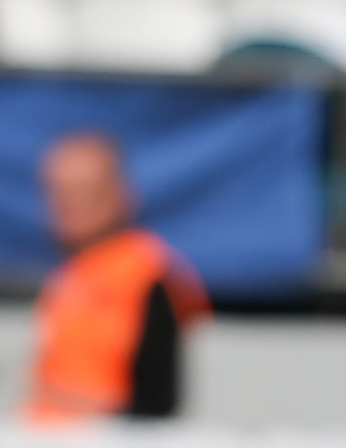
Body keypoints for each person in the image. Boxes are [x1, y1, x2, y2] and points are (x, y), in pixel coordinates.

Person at [26, 132, 209, 424]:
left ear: (121, 193)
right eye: (59, 192)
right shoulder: (67, 274)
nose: (70, 206)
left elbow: (157, 400)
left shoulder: (147, 273)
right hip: (52, 442)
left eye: (86, 192)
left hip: (107, 446)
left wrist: (90, 414)